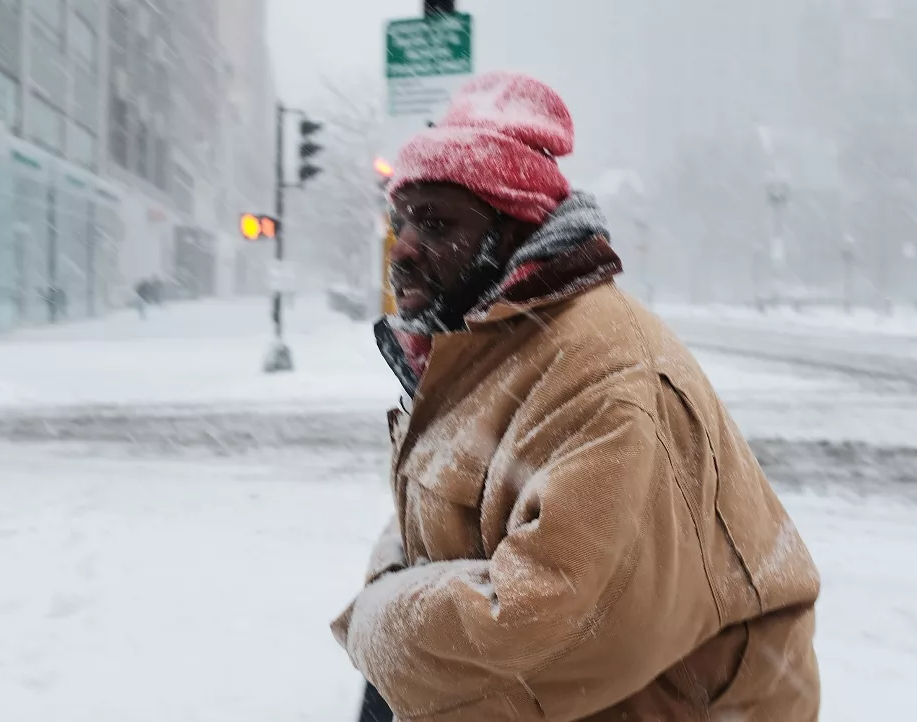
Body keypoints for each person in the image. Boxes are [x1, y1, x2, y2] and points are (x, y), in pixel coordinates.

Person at [332, 72, 821, 722]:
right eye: (402, 222)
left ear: (512, 233)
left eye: (438, 223)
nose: (406, 250)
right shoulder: (486, 344)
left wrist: (379, 622)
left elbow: (545, 618)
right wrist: (391, 605)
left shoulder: (601, 372)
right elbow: (429, 518)